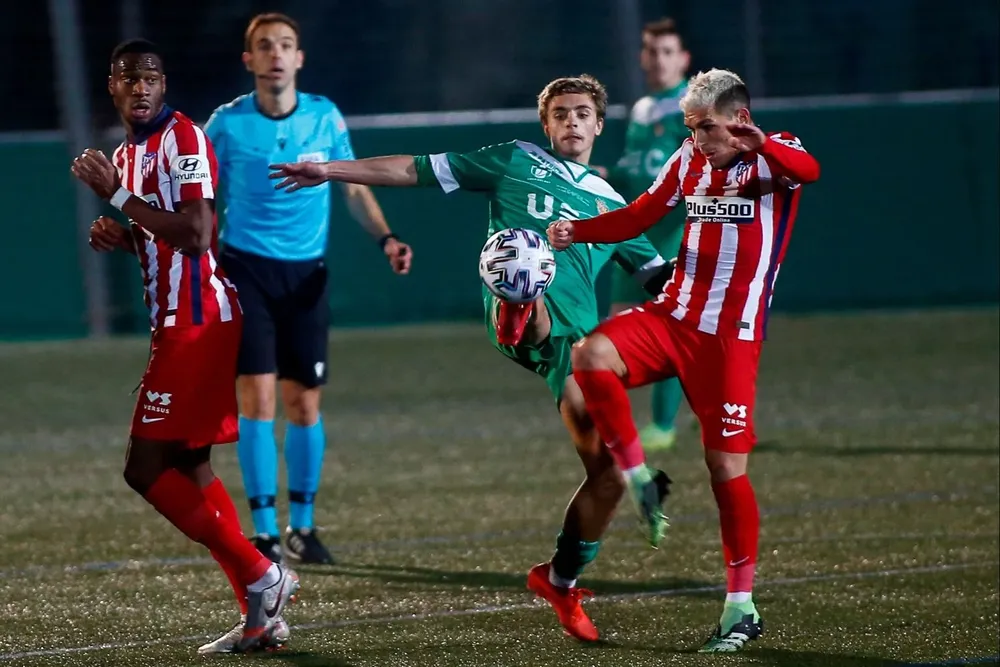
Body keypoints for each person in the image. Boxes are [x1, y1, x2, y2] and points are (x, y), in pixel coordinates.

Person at [269, 74, 672, 642]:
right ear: (546, 124)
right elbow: (413, 168)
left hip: (578, 352)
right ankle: (519, 300)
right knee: (525, 259)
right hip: (531, 319)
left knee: (604, 476)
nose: (572, 122)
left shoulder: (614, 206)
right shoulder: (513, 160)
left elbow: (659, 278)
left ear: (599, 124)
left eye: (582, 113)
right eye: (560, 114)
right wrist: (330, 169)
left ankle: (559, 578)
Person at [547, 68, 821, 652]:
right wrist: (580, 230)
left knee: (727, 474)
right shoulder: (689, 159)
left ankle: (740, 608)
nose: (696, 138)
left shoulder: (778, 154)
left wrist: (761, 144)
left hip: (729, 339)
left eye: (705, 128)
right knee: (591, 354)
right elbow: (640, 215)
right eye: (690, 128)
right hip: (673, 316)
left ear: (739, 120)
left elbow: (809, 171)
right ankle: (638, 472)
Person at [71, 38, 299, 655]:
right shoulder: (128, 153)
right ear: (112, 87)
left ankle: (264, 575)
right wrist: (124, 238)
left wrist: (118, 198)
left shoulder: (184, 139)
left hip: (198, 322)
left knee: (144, 469)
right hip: (177, 319)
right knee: (190, 467)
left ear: (164, 84)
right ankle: (260, 616)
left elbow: (199, 235)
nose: (140, 88)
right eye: (128, 78)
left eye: (150, 78)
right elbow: (163, 233)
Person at [205, 12, 413, 566]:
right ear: (248, 61)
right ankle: (266, 532)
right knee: (259, 399)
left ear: (300, 58)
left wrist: (387, 238)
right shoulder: (225, 125)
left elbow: (352, 187)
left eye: (287, 45)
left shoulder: (324, 117)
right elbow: (197, 195)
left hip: (306, 276)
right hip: (245, 270)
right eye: (264, 46)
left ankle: (303, 525)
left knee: (304, 404)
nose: (276, 53)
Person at [606, 17, 692, 450]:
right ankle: (612, 425)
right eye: (651, 51)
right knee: (616, 333)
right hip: (633, 234)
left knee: (669, 332)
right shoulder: (642, 109)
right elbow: (633, 170)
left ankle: (662, 426)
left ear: (683, 59)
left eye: (667, 52)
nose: (658, 60)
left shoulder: (695, 106)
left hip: (674, 233)